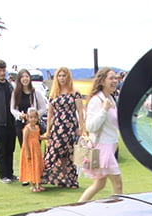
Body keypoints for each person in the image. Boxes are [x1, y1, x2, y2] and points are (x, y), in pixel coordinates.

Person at [78, 68, 123, 203]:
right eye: (111, 78)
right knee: (118, 185)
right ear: (102, 81)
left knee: (99, 184)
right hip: (103, 148)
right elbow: (90, 126)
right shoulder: (97, 100)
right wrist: (104, 110)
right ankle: (118, 211)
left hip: (109, 146)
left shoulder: (110, 98)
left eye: (115, 78)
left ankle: (79, 206)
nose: (114, 81)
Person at [41, 67, 85, 189]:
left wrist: (81, 128)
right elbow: (50, 114)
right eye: (59, 76)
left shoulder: (75, 93)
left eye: (64, 76)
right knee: (55, 152)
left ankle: (69, 179)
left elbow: (80, 112)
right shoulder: (53, 94)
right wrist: (48, 130)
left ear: (68, 77)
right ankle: (45, 176)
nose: (62, 78)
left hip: (70, 127)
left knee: (69, 154)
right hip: (57, 127)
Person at [11, 69, 48, 148]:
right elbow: (12, 109)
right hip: (21, 124)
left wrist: (34, 115)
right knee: (24, 148)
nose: (25, 79)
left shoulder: (36, 92)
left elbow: (43, 107)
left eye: (27, 76)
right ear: (19, 79)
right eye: (22, 77)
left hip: (34, 124)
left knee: (35, 147)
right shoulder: (15, 93)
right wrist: (19, 115)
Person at [20, 109, 46, 192]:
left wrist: (46, 137)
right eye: (31, 117)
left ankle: (39, 184)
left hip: (36, 150)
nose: (33, 119)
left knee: (38, 165)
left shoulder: (37, 127)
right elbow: (25, 141)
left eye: (35, 117)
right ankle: (33, 185)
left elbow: (38, 137)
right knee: (31, 166)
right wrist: (28, 153)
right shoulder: (27, 129)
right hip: (30, 150)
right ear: (28, 118)